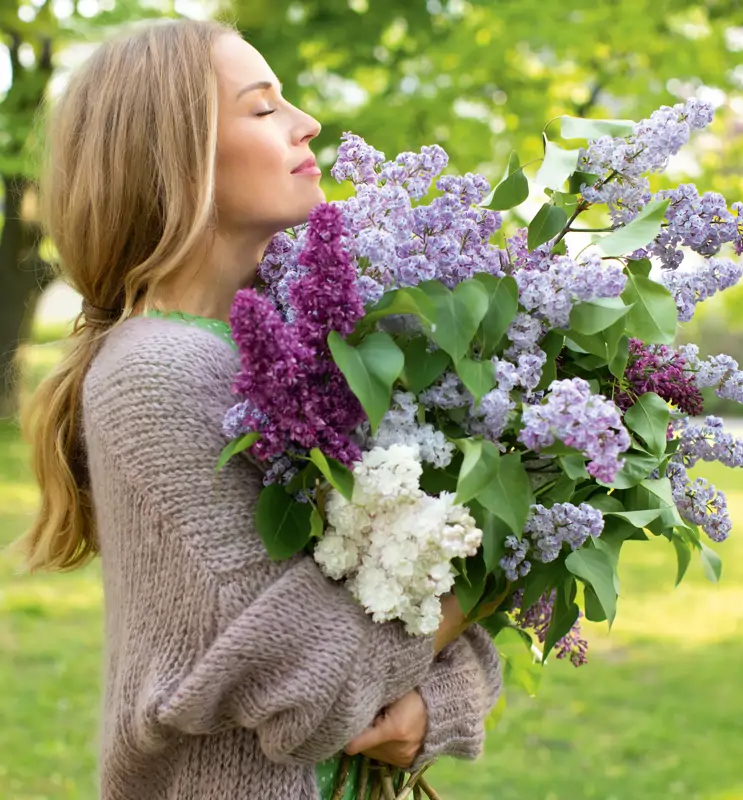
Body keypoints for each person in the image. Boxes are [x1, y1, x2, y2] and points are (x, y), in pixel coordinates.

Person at [20, 18, 502, 800]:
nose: (307, 121)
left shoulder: (306, 352)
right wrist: (485, 576)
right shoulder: (157, 375)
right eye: (262, 107)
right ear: (176, 158)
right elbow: (313, 684)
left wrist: (432, 704)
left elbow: (400, 651)